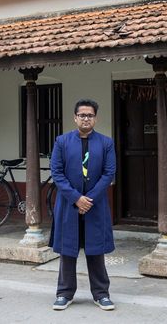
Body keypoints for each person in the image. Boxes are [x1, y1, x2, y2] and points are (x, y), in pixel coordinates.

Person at [49, 98, 116, 311]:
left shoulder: (106, 143)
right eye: (82, 115)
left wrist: (89, 199)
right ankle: (64, 293)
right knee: (68, 250)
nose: (86, 118)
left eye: (90, 115)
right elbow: (57, 173)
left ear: (95, 118)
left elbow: (109, 173)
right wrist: (76, 198)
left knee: (96, 250)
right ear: (75, 117)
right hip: (69, 204)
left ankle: (101, 294)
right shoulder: (62, 141)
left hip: (95, 205)